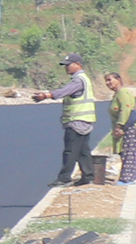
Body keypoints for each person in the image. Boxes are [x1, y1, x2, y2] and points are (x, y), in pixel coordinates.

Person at [36, 55, 97, 184]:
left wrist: (47, 95)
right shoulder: (83, 79)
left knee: (70, 150)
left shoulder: (78, 80)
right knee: (83, 151)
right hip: (84, 120)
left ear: (78, 64)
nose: (66, 67)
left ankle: (64, 178)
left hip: (77, 121)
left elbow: (64, 91)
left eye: (68, 65)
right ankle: (88, 176)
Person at [99, 69, 136, 183]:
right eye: (106, 81)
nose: (108, 83)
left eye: (110, 80)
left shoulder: (123, 93)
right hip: (123, 128)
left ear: (118, 80)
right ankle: (127, 177)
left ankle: (127, 179)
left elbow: (126, 110)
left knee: (128, 153)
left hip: (128, 127)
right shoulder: (117, 94)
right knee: (124, 153)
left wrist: (120, 126)